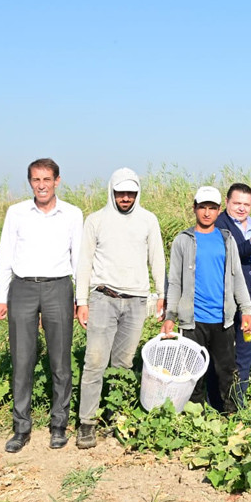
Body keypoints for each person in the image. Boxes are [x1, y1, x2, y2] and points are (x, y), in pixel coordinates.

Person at [0, 158, 83, 453]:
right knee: (22, 360)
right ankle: (21, 427)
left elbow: (79, 259)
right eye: (36, 180)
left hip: (58, 286)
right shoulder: (17, 212)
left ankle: (59, 425)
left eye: (47, 179)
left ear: (57, 180)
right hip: (22, 287)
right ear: (30, 182)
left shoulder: (71, 214)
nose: (41, 185)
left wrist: (80, 300)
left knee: (60, 362)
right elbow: (5, 253)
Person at [74, 168, 165, 449]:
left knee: (124, 363)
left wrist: (162, 294)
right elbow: (84, 262)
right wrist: (81, 302)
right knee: (95, 361)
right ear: (112, 191)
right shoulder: (96, 220)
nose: (125, 198)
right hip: (103, 297)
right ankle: (87, 422)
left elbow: (157, 258)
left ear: (137, 193)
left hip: (136, 300)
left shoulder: (148, 220)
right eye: (120, 192)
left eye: (131, 193)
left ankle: (117, 417)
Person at [161, 186, 251, 414]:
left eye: (212, 208)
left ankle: (230, 415)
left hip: (223, 319)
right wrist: (170, 315)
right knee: (193, 373)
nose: (207, 213)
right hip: (193, 320)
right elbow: (174, 282)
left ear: (219, 210)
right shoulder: (183, 240)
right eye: (202, 207)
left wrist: (247, 310)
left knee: (226, 372)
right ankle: (195, 416)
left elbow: (237, 278)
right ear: (194, 208)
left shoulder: (226, 239)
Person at [214, 183, 251, 407]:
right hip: (227, 298)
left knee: (246, 348)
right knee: (224, 351)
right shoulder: (218, 226)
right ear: (227, 203)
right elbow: (229, 256)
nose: (242, 208)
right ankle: (218, 399)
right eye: (237, 203)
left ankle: (239, 398)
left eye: (246, 204)